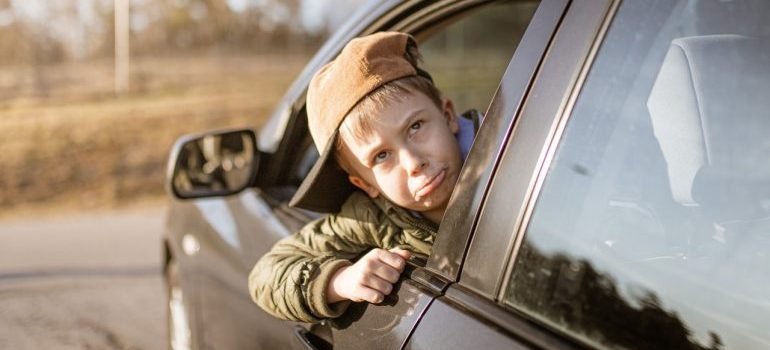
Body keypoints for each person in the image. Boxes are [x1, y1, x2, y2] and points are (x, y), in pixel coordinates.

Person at [248, 31, 481, 323]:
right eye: (381, 156)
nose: (413, 163)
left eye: (416, 126)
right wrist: (339, 281)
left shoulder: (515, 150)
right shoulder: (369, 217)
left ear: (447, 115)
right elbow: (266, 275)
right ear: (365, 184)